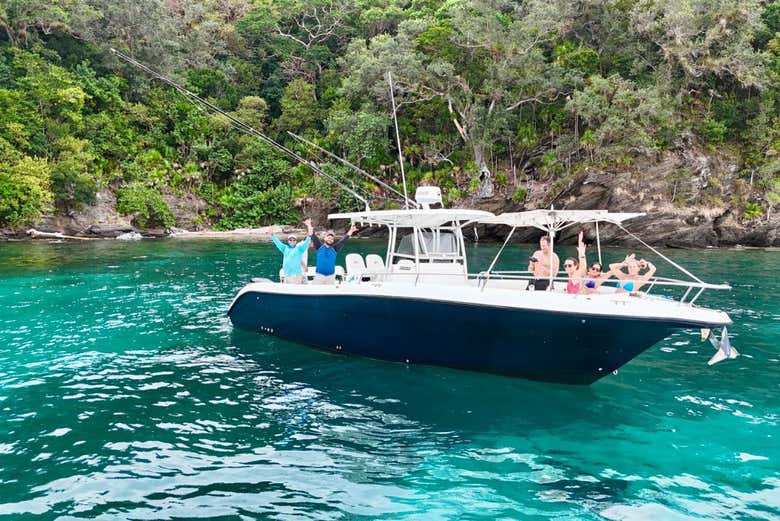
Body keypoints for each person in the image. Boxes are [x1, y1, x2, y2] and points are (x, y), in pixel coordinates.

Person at [271, 218, 313, 284]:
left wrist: (309, 225)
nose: (292, 241)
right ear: (288, 241)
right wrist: (272, 230)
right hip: (287, 275)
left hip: (296, 276)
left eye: (294, 240)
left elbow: (309, 236)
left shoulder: (300, 248)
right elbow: (275, 240)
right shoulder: (284, 248)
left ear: (296, 241)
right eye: (290, 240)